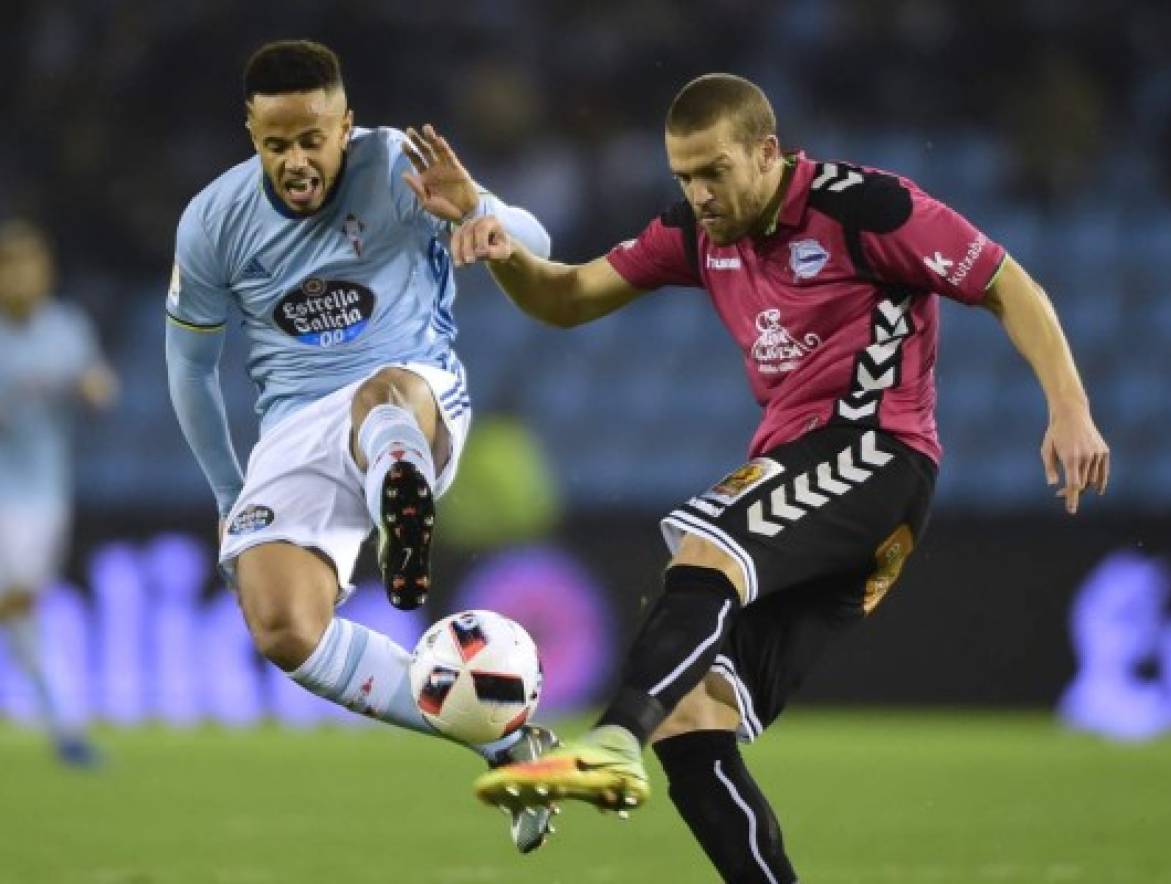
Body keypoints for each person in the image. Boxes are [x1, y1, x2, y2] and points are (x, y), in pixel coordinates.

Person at [470, 74, 1111, 881]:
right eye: (683, 177)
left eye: (715, 172)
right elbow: (565, 298)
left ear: (767, 152)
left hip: (875, 450)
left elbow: (1006, 282)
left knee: (704, 554)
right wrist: (497, 247)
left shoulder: (865, 207)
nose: (698, 194)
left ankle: (609, 743)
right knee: (694, 717)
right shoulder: (699, 235)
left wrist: (1070, 406)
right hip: (813, 475)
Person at [165, 39, 559, 853]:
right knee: (281, 626)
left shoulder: (399, 167)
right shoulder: (213, 219)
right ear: (251, 131)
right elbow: (190, 369)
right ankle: (503, 742)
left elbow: (539, 239)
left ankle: (399, 498)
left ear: (346, 124)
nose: (296, 161)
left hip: (414, 390)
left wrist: (484, 214)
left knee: (382, 396)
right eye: (276, 144)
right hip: (295, 428)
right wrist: (226, 492)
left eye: (313, 139)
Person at [0, 219, 118, 766]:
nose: (20, 275)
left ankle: (65, 726)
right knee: (19, 611)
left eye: (29, 263)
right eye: (10, 264)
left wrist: (92, 388)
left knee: (19, 605)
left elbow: (99, 390)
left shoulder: (65, 327)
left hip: (38, 500)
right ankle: (66, 727)